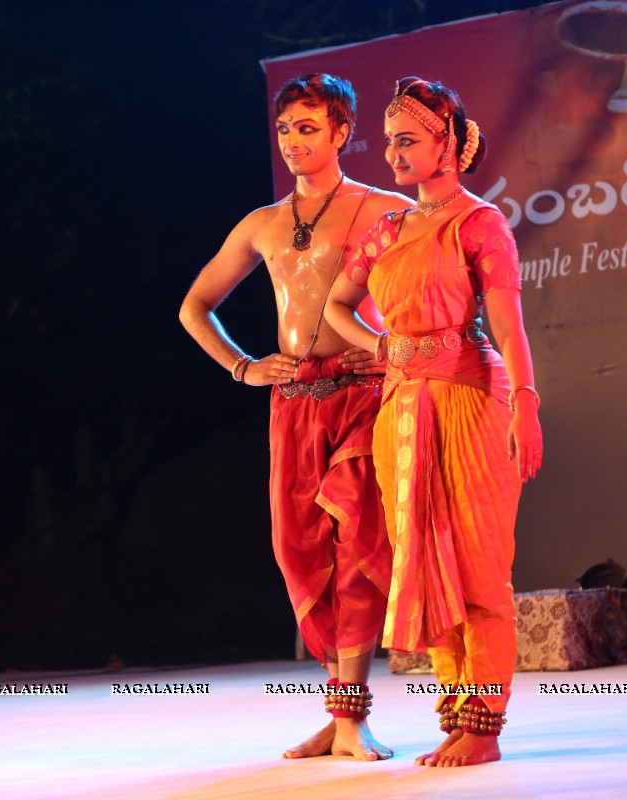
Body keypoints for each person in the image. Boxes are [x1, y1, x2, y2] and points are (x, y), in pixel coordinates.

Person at [179, 73, 410, 761]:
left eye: (308, 128)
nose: (293, 142)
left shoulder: (379, 208)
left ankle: (352, 718)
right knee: (298, 553)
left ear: (342, 133)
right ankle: (337, 714)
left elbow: (439, 269)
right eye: (284, 130)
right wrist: (242, 365)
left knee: (357, 550)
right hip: (293, 402)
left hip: (361, 394)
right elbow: (195, 306)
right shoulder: (262, 223)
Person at [324, 77, 543, 768]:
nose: (393, 154)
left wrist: (529, 403)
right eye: (389, 141)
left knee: (477, 569)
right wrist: (381, 348)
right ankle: (456, 716)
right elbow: (338, 307)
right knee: (427, 569)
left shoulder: (479, 224)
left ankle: (485, 723)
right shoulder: (387, 229)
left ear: (449, 144)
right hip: (400, 410)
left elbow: (508, 327)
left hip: (472, 398)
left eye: (408, 140)